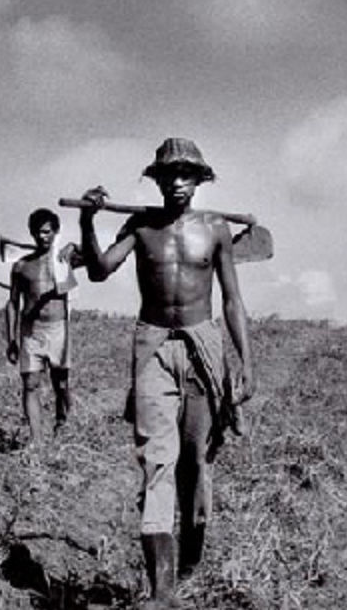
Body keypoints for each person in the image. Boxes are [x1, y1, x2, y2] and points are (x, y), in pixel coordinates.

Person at [78, 137, 254, 607]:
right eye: (169, 174)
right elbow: (98, 271)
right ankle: (163, 591)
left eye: (187, 174)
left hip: (203, 348)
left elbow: (233, 299)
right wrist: (87, 220)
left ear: (199, 180)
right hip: (153, 345)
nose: (178, 182)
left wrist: (245, 363)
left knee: (195, 463)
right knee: (157, 462)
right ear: (157, 180)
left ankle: (192, 554)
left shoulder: (214, 230)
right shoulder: (140, 227)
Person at [5, 208, 82, 444]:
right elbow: (12, 302)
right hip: (31, 332)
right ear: (31, 233)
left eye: (47, 232)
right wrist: (11, 339)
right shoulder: (21, 266)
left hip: (58, 328)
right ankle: (36, 440)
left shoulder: (63, 260)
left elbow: (95, 258)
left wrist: (75, 247)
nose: (42, 237)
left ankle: (62, 421)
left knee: (61, 383)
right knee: (30, 384)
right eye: (38, 232)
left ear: (55, 232)